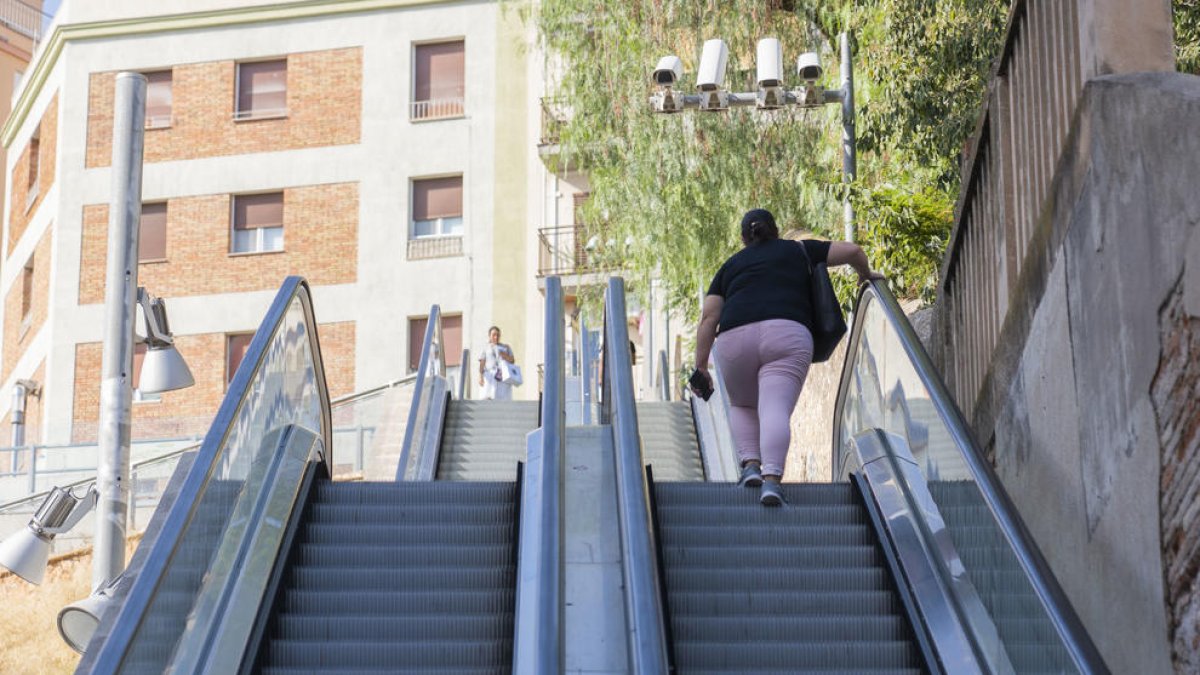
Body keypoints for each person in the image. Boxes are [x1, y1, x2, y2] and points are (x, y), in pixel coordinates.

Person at [691, 208, 882, 506]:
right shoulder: (800, 249)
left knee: (742, 404)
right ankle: (771, 481)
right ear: (776, 230)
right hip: (787, 333)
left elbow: (708, 319)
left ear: (744, 238)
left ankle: (751, 466)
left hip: (734, 339)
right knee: (774, 408)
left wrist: (701, 365)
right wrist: (865, 275)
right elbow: (853, 251)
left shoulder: (729, 267)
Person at [478, 325, 516, 401]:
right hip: (490, 375)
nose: (496, 337)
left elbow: (512, 361)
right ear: (489, 336)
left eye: (498, 335)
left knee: (503, 397)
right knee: (488, 397)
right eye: (494, 335)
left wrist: (505, 355)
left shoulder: (506, 347)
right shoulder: (485, 347)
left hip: (503, 375)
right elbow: (482, 362)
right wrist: (480, 376)